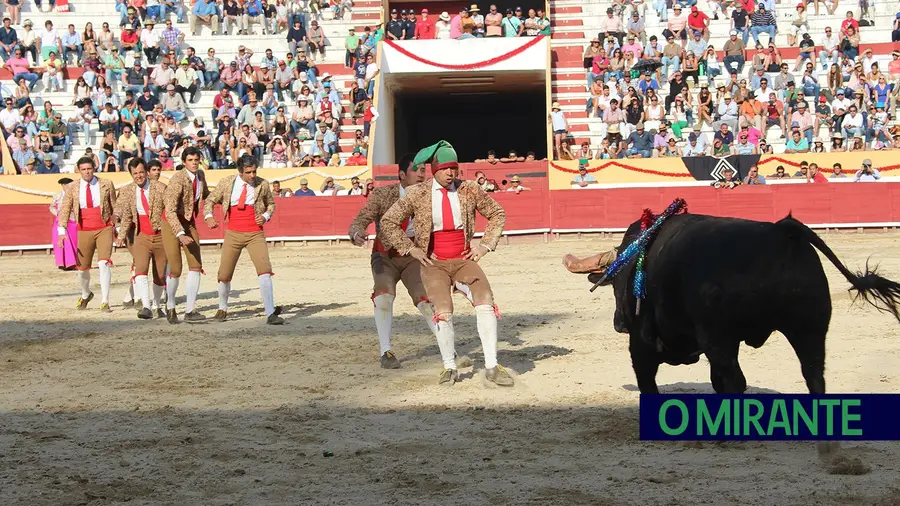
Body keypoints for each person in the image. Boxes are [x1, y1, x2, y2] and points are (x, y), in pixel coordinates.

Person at [380, 140, 514, 387]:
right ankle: (449, 367)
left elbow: (497, 213)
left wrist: (485, 244)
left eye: (454, 168)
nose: (451, 173)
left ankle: (493, 366)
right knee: (443, 311)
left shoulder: (469, 190)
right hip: (434, 263)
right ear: (434, 169)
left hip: (464, 259)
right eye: (445, 169)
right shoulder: (417, 193)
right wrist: (410, 248)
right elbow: (388, 222)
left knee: (485, 301)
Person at [347, 153, 441, 369]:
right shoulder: (383, 195)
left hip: (414, 256)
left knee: (425, 300)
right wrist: (356, 233)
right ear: (401, 174)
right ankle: (386, 351)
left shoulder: (429, 196)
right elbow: (360, 220)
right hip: (385, 255)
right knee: (383, 297)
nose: (421, 174)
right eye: (415, 170)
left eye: (423, 171)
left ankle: (447, 347)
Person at [203, 154, 284, 324]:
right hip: (233, 233)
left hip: (255, 232)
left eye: (254, 171)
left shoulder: (262, 184)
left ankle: (270, 313)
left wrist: (266, 216)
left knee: (264, 270)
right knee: (224, 273)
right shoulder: (227, 182)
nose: (253, 175)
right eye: (249, 172)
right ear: (240, 172)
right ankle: (222, 308)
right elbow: (210, 200)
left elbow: (271, 204)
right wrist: (208, 216)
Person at [55, 157, 117, 312]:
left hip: (104, 227)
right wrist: (61, 231)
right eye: (83, 169)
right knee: (82, 269)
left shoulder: (106, 184)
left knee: (104, 262)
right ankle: (85, 294)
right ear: (78, 170)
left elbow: (115, 207)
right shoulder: (72, 187)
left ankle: (105, 301)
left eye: (89, 168)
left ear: (94, 168)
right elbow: (65, 209)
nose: (87, 172)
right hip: (83, 229)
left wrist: (118, 226)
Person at [114, 158, 169, 319]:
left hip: (160, 236)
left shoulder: (160, 188)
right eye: (135, 173)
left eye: (141, 172)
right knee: (141, 269)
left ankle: (157, 305)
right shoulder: (127, 191)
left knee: (160, 275)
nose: (138, 176)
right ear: (131, 174)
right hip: (142, 236)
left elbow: (170, 211)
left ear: (146, 172)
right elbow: (127, 216)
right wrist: (121, 235)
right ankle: (146, 306)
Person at [162, 146, 209, 323]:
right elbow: (170, 211)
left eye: (197, 160)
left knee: (196, 265)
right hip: (170, 224)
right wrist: (180, 233)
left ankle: (190, 310)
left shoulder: (201, 176)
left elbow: (206, 195)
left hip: (188, 222)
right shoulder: (177, 180)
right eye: (190, 160)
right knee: (175, 268)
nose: (194, 163)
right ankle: (171, 306)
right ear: (183, 162)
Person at [50, 177, 77, 270]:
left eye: (66, 184)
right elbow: (52, 207)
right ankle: (62, 263)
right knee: (60, 241)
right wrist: (57, 213)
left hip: (72, 220)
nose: (65, 186)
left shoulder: (75, 194)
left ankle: (73, 263)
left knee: (73, 241)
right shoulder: (57, 195)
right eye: (63, 185)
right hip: (60, 220)